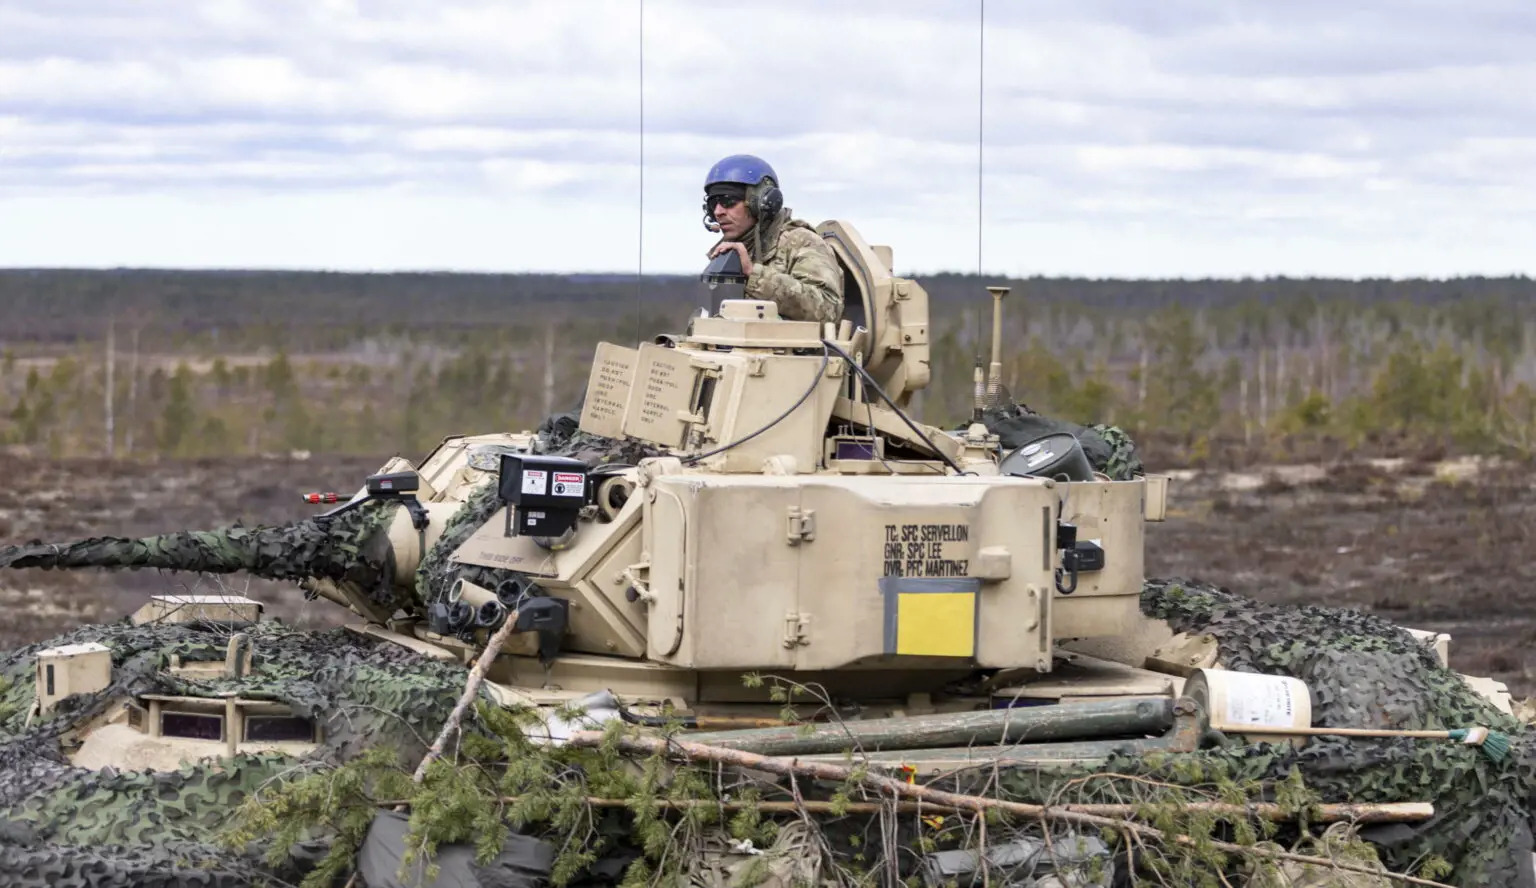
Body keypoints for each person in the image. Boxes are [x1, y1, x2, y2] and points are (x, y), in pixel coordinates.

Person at [703, 154, 844, 323]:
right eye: (713, 204)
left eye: (728, 201)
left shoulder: (801, 242)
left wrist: (754, 275)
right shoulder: (728, 253)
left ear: (761, 202)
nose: (718, 212)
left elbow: (828, 310)